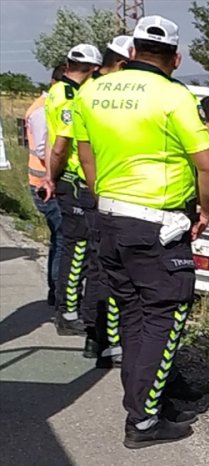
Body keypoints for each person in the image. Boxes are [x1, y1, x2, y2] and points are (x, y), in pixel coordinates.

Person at [74, 15, 209, 448]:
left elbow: (87, 157)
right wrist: (206, 212)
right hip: (158, 224)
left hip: (109, 217)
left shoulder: (92, 92)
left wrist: (106, 201)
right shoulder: (175, 96)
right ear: (176, 59)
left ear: (133, 50)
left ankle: (144, 405)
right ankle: (143, 420)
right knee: (165, 316)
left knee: (132, 315)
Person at [74, 37, 134, 365]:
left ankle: (94, 336)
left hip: (95, 189)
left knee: (98, 266)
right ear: (123, 64)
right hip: (111, 193)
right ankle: (108, 340)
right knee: (114, 270)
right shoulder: (120, 96)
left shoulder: (88, 93)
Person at [40, 44, 100, 336]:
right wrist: (52, 177)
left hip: (66, 178)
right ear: (93, 70)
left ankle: (66, 308)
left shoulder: (56, 91)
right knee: (77, 250)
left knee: (72, 247)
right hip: (73, 179)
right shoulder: (69, 97)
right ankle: (68, 312)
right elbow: (61, 146)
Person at [23, 66, 65, 306]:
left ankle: (56, 290)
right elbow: (42, 148)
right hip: (45, 185)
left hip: (43, 183)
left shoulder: (44, 106)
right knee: (62, 240)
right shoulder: (42, 110)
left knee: (58, 239)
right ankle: (59, 293)